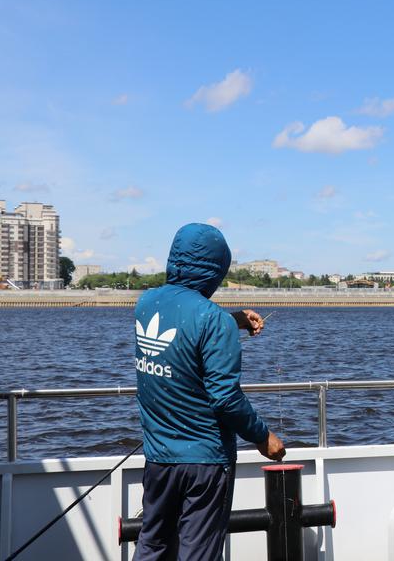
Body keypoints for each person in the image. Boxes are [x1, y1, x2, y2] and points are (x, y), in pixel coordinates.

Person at [134, 222, 285, 560]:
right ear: (216, 269)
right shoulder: (212, 320)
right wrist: (263, 437)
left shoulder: (146, 304)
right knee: (198, 553)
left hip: (158, 458)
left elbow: (181, 329)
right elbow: (226, 398)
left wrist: (233, 319)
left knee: (152, 545)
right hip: (204, 462)